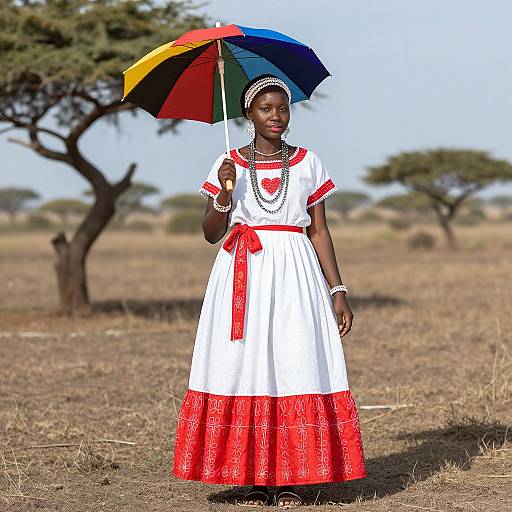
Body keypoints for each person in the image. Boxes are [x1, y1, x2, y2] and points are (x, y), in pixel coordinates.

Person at [172, 74, 367, 508]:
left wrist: (337, 288)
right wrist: (224, 193)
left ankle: (290, 478)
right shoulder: (227, 163)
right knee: (244, 366)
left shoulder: (308, 162)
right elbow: (210, 233)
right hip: (242, 273)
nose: (276, 116)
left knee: (293, 362)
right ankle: (254, 479)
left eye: (283, 108)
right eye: (266, 109)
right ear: (249, 115)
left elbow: (319, 230)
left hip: (296, 276)